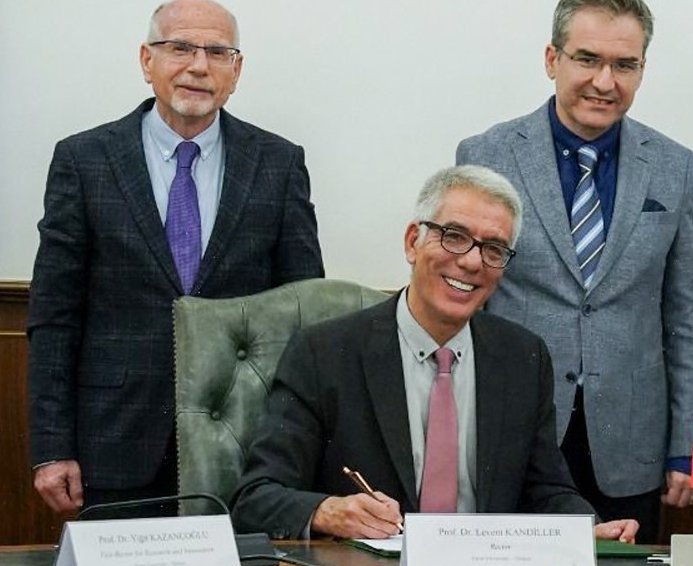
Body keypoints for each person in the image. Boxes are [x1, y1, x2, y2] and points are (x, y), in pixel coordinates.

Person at [26, 0, 323, 515]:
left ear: (236, 70)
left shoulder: (278, 163)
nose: (198, 66)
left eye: (217, 52)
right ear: (147, 61)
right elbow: (55, 316)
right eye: (180, 48)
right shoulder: (84, 160)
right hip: (114, 443)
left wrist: (299, 446)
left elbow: (302, 315)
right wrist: (52, 447)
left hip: (244, 446)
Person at [231, 165, 638, 542]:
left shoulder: (522, 358)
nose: (473, 261)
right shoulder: (325, 353)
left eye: (494, 249)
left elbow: (545, 492)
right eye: (455, 236)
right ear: (413, 241)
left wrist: (587, 530)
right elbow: (257, 498)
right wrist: (327, 511)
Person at [454, 0, 693, 543]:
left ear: (643, 69)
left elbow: (688, 313)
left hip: (629, 445)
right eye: (588, 60)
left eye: (625, 65)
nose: (604, 81)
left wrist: (688, 442)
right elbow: (463, 297)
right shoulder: (488, 155)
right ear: (552, 59)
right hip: (515, 426)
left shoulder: (673, 166)